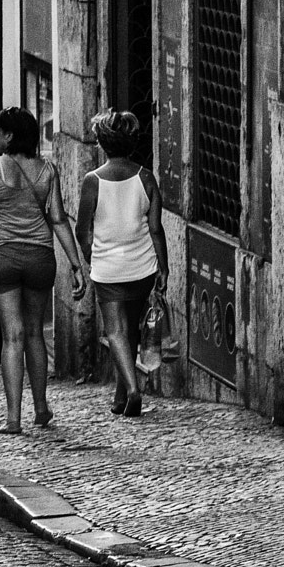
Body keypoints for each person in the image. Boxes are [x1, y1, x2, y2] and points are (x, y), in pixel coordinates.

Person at [0, 107, 87, 435]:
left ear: (11, 136)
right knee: (35, 332)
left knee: (12, 336)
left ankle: (12, 418)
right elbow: (59, 220)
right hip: (40, 259)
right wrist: (77, 267)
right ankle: (41, 408)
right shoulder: (48, 170)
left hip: (3, 258)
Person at [75, 111, 168, 418]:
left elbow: (82, 230)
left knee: (115, 331)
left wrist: (92, 257)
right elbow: (156, 229)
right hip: (142, 267)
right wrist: (163, 268)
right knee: (130, 333)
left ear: (102, 143)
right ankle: (119, 398)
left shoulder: (93, 181)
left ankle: (132, 390)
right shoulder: (146, 177)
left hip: (108, 269)